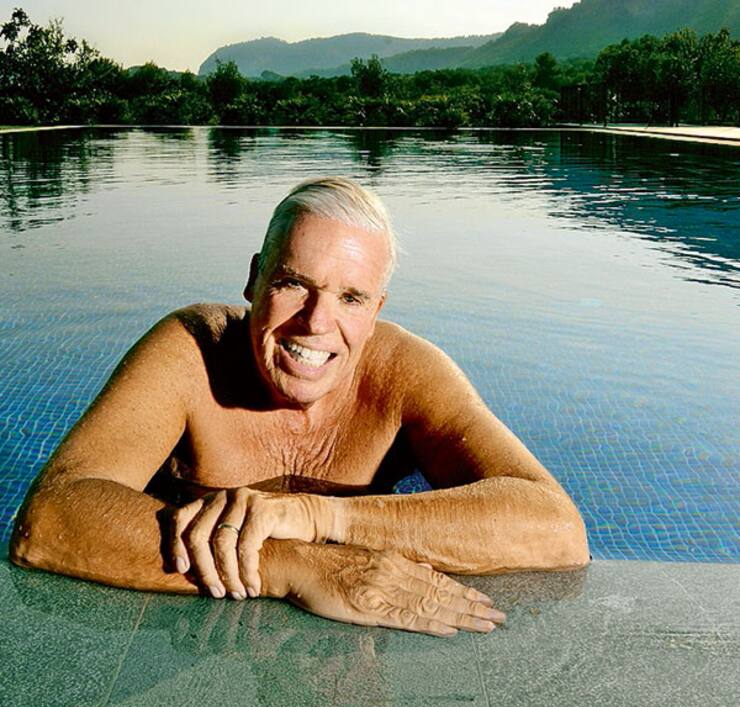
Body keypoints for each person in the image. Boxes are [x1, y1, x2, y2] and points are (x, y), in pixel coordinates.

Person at [10, 177, 589, 637]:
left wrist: (322, 518)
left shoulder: (404, 373)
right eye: (293, 284)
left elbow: (555, 529)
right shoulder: (191, 352)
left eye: (351, 297)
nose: (316, 322)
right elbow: (49, 520)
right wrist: (291, 565)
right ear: (254, 278)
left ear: (376, 310)